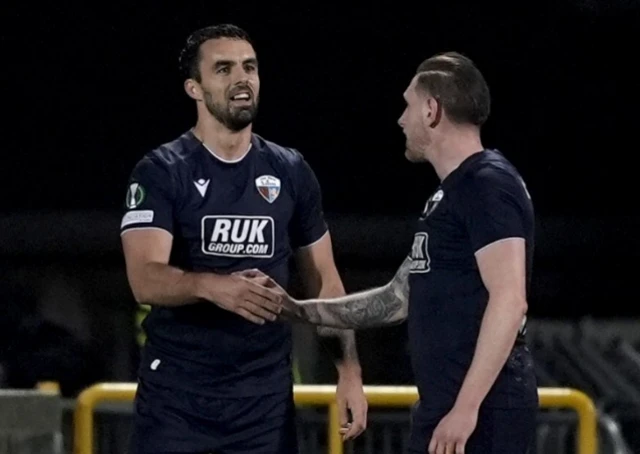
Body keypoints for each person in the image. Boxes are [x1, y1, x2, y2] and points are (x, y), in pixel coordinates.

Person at [256, 51, 538, 454]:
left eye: (408, 105)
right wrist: (297, 309)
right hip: (445, 406)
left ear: (431, 110)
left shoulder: (488, 184)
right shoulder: (450, 195)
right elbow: (397, 297)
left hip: (485, 412)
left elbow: (510, 300)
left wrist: (466, 409)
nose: (401, 119)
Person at [120, 23, 367, 454]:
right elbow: (144, 278)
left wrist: (349, 374)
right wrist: (213, 287)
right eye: (223, 69)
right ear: (194, 88)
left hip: (263, 406)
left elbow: (325, 282)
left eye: (249, 67)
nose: (242, 78)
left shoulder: (290, 170)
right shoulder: (161, 170)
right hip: (177, 402)